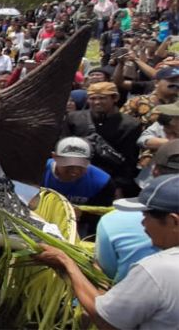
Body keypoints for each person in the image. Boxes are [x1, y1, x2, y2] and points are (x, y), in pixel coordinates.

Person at [34, 174, 179, 329]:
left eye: (146, 216)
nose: (143, 224)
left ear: (173, 221)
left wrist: (66, 263)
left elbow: (106, 319)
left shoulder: (158, 270)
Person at [95, 140, 178, 283]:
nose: (144, 223)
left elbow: (106, 276)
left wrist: (69, 266)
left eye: (147, 216)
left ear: (155, 171)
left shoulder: (114, 221)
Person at [63, 82, 142, 198]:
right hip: (77, 175)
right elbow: (64, 148)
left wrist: (118, 186)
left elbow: (129, 161)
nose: (97, 102)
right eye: (92, 98)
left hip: (109, 180)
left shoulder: (130, 125)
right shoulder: (74, 118)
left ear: (115, 98)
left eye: (102, 98)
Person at [41, 137, 115, 237]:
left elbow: (102, 215)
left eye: (81, 165)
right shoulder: (38, 171)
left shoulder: (101, 182)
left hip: (77, 226)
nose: (75, 171)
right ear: (54, 157)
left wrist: (83, 215)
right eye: (68, 164)